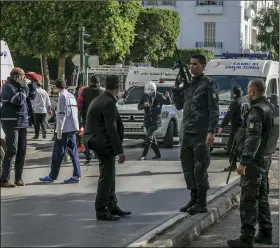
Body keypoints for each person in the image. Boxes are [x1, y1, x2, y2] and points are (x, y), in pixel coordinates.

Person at [227, 79, 279, 248]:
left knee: (249, 199)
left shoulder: (256, 110)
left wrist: (244, 161)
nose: (246, 93)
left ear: (252, 91)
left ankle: (246, 239)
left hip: (254, 161)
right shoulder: (272, 108)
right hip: (265, 158)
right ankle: (265, 233)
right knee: (262, 196)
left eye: (248, 90)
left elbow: (253, 138)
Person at [172, 54, 219, 215]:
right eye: (190, 64)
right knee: (188, 168)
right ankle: (193, 198)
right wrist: (176, 89)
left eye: (195, 64)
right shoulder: (189, 84)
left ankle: (201, 202)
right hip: (187, 133)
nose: (192, 67)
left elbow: (214, 110)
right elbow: (179, 106)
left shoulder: (208, 84)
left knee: (200, 169)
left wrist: (211, 131)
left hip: (201, 134)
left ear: (203, 66)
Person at [83, 75, 131, 221]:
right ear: (118, 86)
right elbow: (111, 128)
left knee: (109, 176)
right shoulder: (108, 102)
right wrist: (120, 151)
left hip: (96, 140)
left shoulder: (101, 98)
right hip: (103, 142)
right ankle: (101, 210)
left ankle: (112, 205)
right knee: (106, 177)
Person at [39, 78, 81, 184]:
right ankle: (77, 175)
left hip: (64, 128)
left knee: (58, 152)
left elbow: (62, 114)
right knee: (73, 152)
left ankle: (52, 176)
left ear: (56, 87)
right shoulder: (71, 95)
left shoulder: (62, 96)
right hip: (72, 127)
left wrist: (59, 130)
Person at [0, 67, 36, 187]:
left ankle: (18, 178)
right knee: (12, 150)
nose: (24, 78)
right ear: (16, 76)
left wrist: (31, 86)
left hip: (22, 122)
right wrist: (24, 87)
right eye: (22, 76)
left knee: (22, 150)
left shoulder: (20, 86)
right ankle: (4, 179)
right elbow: (19, 100)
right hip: (11, 122)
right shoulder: (8, 87)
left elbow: (32, 96)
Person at [137, 81, 171, 160]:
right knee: (152, 139)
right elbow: (138, 107)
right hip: (147, 120)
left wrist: (168, 96)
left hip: (155, 121)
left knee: (149, 137)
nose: (149, 95)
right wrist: (143, 105)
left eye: (151, 93)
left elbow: (168, 102)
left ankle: (144, 155)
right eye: (148, 93)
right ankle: (158, 154)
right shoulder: (144, 96)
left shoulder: (159, 96)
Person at [218, 86, 246, 171]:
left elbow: (228, 116)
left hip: (236, 128)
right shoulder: (245, 100)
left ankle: (233, 165)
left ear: (233, 93)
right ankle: (243, 164)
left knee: (231, 146)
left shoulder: (235, 102)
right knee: (241, 146)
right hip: (244, 127)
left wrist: (222, 126)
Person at [77, 75, 104, 164]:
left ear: (90, 82)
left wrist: (79, 116)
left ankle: (88, 156)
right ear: (98, 82)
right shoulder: (103, 92)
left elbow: (79, 105)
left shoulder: (83, 91)